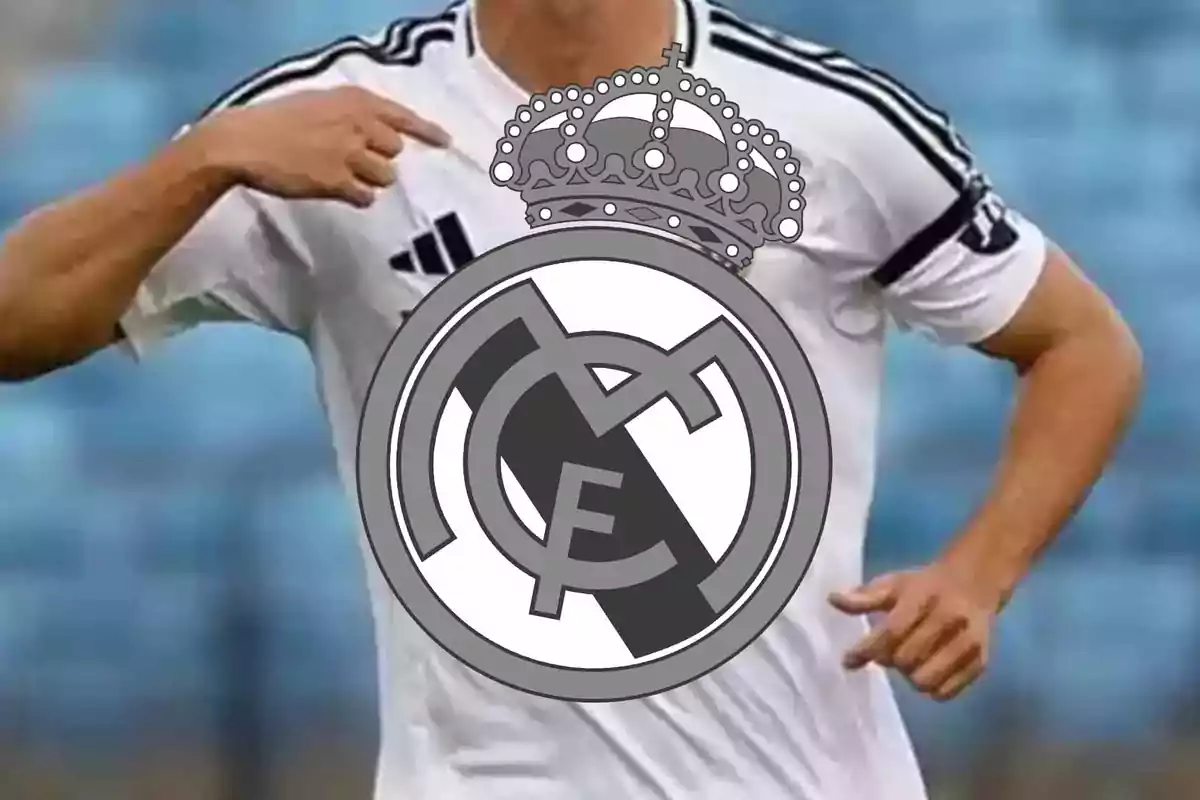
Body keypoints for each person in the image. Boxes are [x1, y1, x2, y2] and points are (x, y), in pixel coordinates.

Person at [0, 0, 1142, 797]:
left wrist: (979, 572)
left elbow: (1085, 344)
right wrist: (204, 160)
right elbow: (14, 321)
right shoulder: (326, 123)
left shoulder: (825, 124)